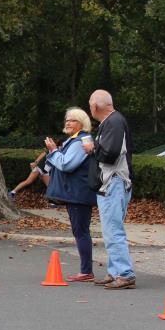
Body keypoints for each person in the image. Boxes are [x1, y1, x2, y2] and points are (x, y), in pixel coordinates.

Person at [87, 89, 136, 289]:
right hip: (113, 183)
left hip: (113, 183)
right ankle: (115, 271)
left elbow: (110, 154)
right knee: (110, 230)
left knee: (113, 230)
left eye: (90, 103)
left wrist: (92, 148)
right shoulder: (112, 122)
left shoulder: (113, 122)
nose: (90, 107)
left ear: (95, 106)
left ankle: (125, 273)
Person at [44, 108, 97, 281]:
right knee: (79, 230)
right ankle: (86, 270)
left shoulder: (80, 141)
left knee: (80, 231)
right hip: (76, 193)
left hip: (78, 194)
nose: (68, 123)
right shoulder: (74, 140)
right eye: (67, 120)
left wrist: (53, 151)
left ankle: (86, 271)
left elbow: (66, 165)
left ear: (82, 123)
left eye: (73, 120)